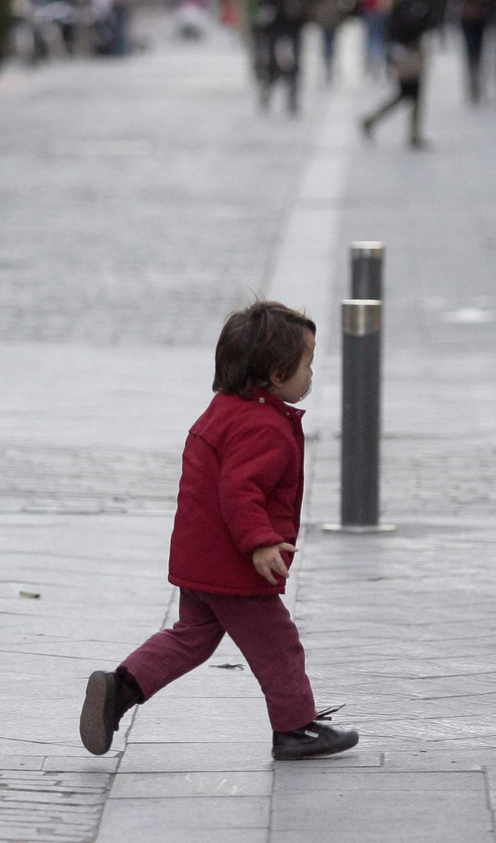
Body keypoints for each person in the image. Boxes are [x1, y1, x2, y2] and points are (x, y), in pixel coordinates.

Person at [80, 301, 359, 763]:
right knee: (279, 646)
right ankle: (295, 728)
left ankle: (121, 688)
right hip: (235, 566)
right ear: (276, 374)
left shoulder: (225, 410)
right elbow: (240, 491)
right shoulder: (263, 427)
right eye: (307, 363)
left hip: (201, 560)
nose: (311, 373)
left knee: (192, 636)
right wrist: (261, 543)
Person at [360, 0, 434, 148]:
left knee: (411, 93)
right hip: (406, 50)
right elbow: (412, 25)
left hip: (405, 49)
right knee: (408, 92)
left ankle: (411, 132)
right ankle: (375, 121)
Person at [251, 0, 318, 114]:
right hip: (274, 19)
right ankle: (268, 91)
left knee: (296, 59)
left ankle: (293, 97)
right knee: (271, 58)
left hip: (294, 19)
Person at [453, 0, 492, 103]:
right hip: (467, 15)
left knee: (481, 50)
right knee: (470, 49)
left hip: (483, 14)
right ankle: (472, 81)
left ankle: (479, 81)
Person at [311, 0, 349, 85]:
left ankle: (327, 61)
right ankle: (330, 60)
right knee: (332, 37)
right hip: (332, 5)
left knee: (325, 37)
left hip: (322, 5)